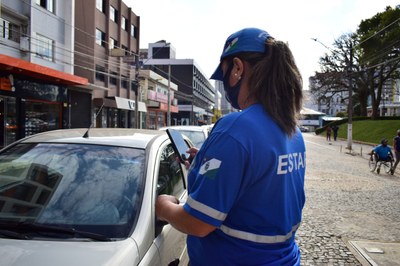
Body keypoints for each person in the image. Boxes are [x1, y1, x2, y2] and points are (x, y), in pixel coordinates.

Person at [156, 27, 306, 265]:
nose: (225, 85)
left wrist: (164, 207)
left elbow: (197, 223)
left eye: (224, 74)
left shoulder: (235, 128)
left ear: (238, 68)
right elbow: (260, 185)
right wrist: (204, 162)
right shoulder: (292, 131)